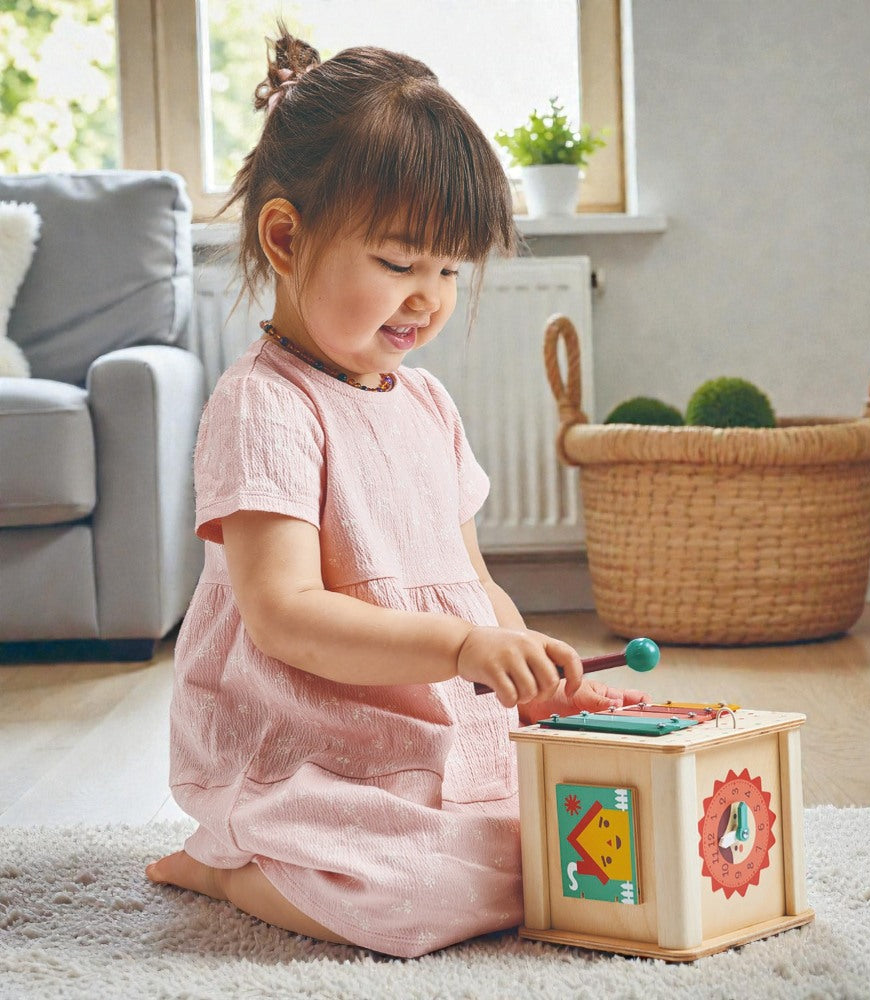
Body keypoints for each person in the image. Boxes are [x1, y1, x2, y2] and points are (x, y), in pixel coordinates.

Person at [145, 27, 648, 959]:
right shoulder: (264, 406)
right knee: (413, 898)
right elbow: (285, 616)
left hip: (421, 737)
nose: (428, 298)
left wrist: (527, 669)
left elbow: (472, 580)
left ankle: (358, 854)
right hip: (304, 747)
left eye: (450, 269)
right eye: (399, 262)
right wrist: (459, 645)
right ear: (287, 239)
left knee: (556, 848)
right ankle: (227, 864)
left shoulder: (426, 402)